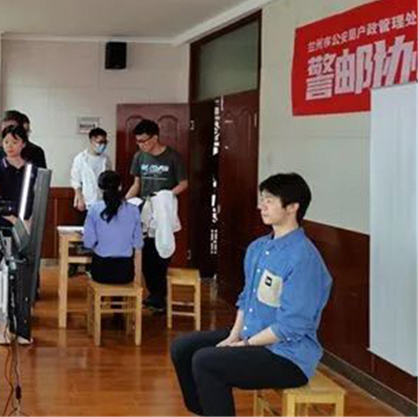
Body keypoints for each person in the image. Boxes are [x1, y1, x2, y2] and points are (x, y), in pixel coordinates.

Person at [170, 173, 332, 416]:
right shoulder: (259, 247)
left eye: (269, 200)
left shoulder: (304, 258)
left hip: (287, 355)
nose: (262, 206)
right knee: (183, 348)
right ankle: (205, 411)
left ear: (292, 207)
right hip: (252, 336)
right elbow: (247, 299)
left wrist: (243, 345)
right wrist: (233, 337)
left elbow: (291, 327)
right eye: (262, 199)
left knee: (206, 361)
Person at [125, 119, 188, 312]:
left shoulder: (172, 157)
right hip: (145, 209)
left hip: (164, 209)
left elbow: (183, 183)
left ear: (155, 137)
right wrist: (124, 202)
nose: (141, 145)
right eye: (138, 141)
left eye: (144, 141)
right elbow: (137, 184)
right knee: (145, 254)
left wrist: (167, 195)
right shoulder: (139, 157)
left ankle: (159, 297)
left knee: (161, 251)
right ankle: (154, 295)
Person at [82, 171, 142, 284]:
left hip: (101, 271)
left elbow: (88, 242)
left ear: (100, 188)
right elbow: (138, 243)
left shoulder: (94, 209)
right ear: (120, 187)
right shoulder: (134, 210)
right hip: (125, 272)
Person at [0, 125, 37, 221]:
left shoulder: (32, 169)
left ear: (23, 144)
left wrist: (30, 221)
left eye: (14, 142)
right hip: (3, 222)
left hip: (28, 222)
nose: (9, 146)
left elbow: (37, 199)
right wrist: (13, 220)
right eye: (6, 142)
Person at [71, 127, 112, 212]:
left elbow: (109, 181)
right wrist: (80, 199)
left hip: (102, 202)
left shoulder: (106, 159)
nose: (103, 145)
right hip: (86, 202)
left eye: (105, 142)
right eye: (100, 142)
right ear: (92, 140)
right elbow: (75, 181)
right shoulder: (80, 158)